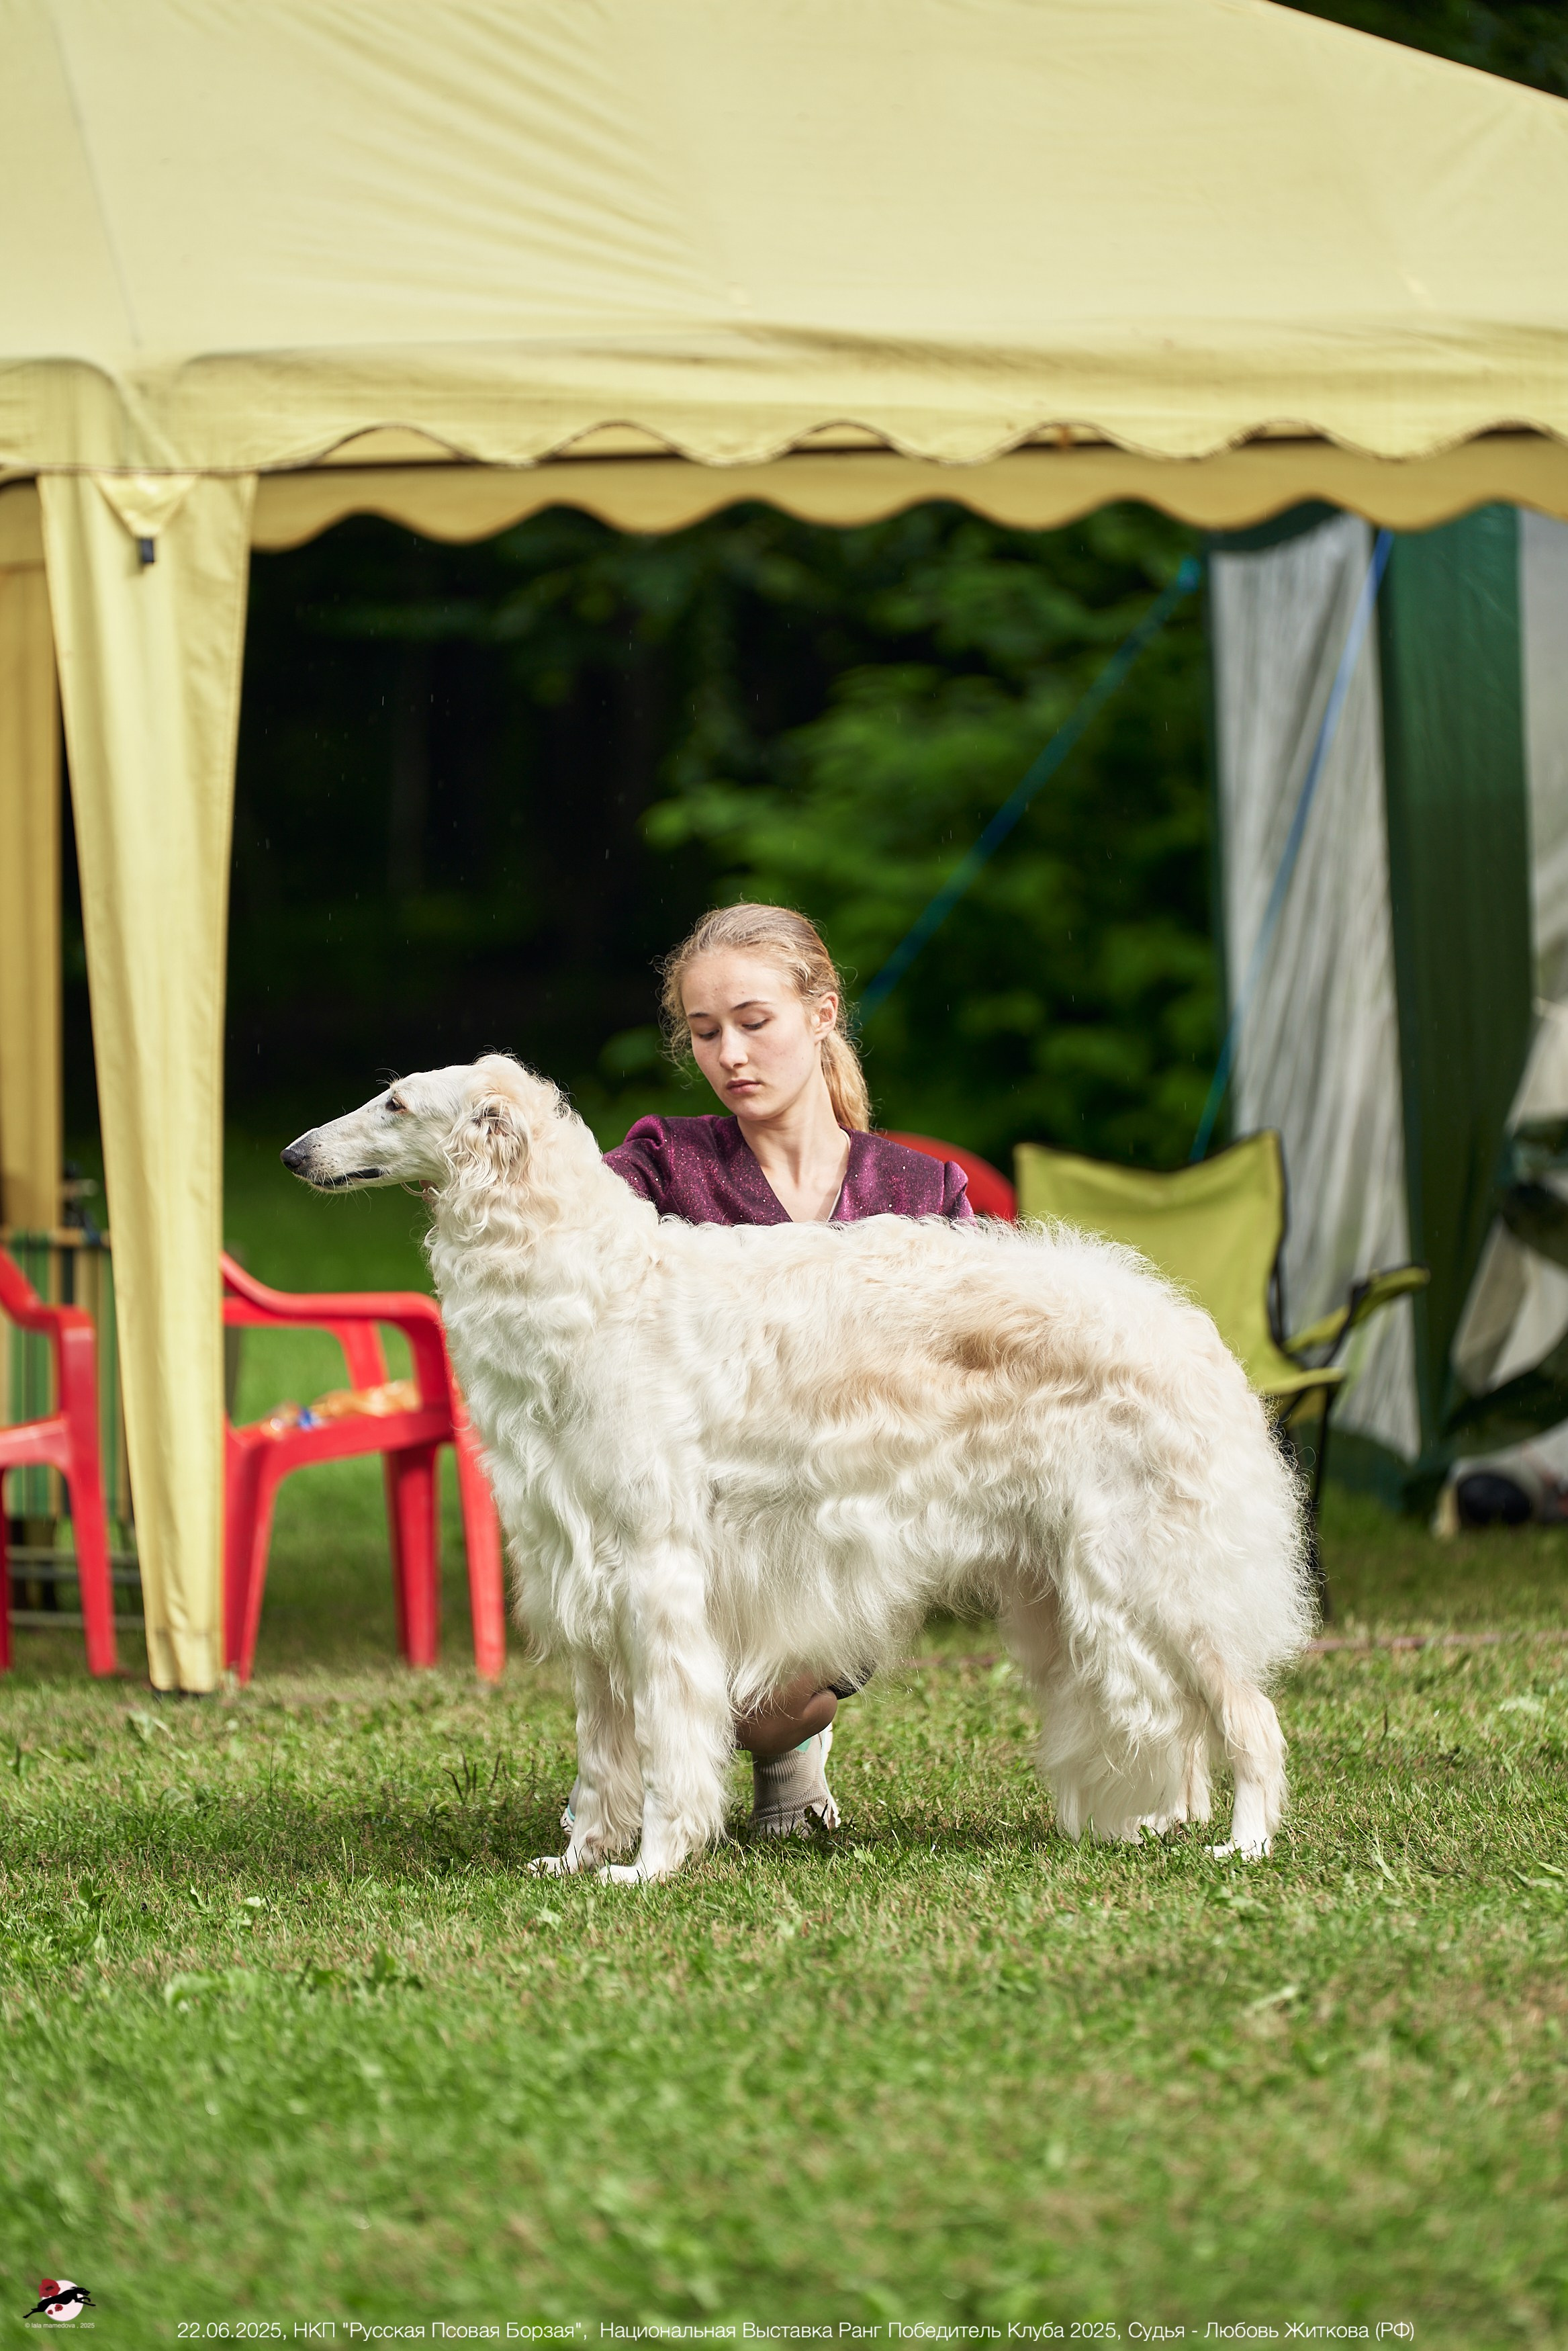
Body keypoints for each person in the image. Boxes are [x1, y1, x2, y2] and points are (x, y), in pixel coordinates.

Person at [599, 901, 972, 1838]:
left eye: (754, 1023)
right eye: (706, 1031)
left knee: (760, 1703)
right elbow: (569, 1230)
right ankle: (634, 1786)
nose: (731, 1055)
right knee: (672, 1658)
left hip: (853, 1524)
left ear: (821, 1012)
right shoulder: (660, 1162)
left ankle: (793, 1746)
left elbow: (974, 1359)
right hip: (697, 1516)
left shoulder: (925, 1194)